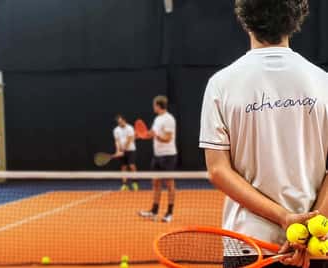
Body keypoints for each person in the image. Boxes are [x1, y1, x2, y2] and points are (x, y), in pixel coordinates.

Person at [199, 0, 328, 267]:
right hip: (311, 249)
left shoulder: (220, 85)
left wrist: (284, 217)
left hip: (247, 244)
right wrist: (312, 227)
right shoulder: (324, 84)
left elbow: (218, 171)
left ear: (245, 20)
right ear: (296, 19)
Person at [139, 95, 177, 223]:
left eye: (154, 105)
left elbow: (168, 138)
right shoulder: (157, 119)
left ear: (158, 105)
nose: (153, 107)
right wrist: (140, 135)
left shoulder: (169, 119)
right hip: (157, 156)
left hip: (168, 155)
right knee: (155, 183)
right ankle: (154, 211)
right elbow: (151, 133)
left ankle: (169, 213)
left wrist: (157, 136)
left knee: (169, 184)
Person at [113, 114, 139, 191]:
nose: (120, 123)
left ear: (124, 120)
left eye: (121, 121)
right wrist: (117, 150)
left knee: (132, 166)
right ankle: (124, 185)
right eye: (119, 122)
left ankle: (135, 183)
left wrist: (123, 150)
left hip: (131, 150)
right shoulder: (116, 130)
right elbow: (117, 141)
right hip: (122, 150)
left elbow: (129, 140)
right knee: (123, 167)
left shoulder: (130, 128)